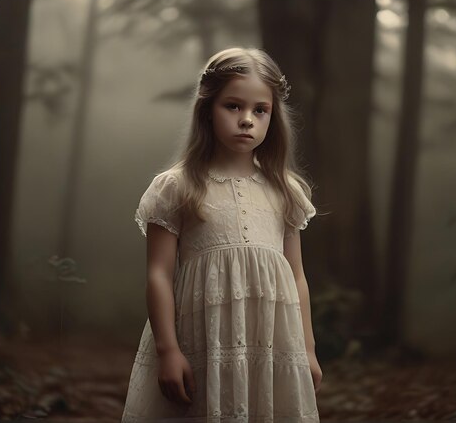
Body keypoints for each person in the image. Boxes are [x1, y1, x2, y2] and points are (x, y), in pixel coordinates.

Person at [121, 47, 322, 422]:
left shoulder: (286, 190)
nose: (247, 119)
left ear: (272, 116)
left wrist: (306, 350)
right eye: (233, 106)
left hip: (271, 344)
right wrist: (168, 351)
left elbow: (296, 275)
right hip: (204, 341)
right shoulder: (177, 187)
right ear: (207, 109)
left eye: (259, 110)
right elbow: (159, 274)